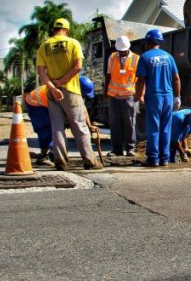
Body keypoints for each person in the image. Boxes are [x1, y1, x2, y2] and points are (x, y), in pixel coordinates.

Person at [36, 18, 102, 171]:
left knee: (57, 127)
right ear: (67, 30)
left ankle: (61, 162)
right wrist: (61, 82)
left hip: (52, 92)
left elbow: (41, 73)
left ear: (54, 30)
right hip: (70, 90)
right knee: (79, 125)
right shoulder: (73, 43)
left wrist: (53, 87)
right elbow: (78, 67)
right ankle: (90, 161)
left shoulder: (44, 47)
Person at [23, 76, 98, 168]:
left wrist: (89, 125)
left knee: (56, 126)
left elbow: (82, 109)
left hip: (45, 102)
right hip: (36, 104)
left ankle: (53, 155)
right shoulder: (63, 92)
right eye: (84, 94)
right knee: (47, 128)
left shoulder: (73, 91)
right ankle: (43, 157)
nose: (84, 97)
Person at [134, 29, 181, 167]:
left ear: (148, 42)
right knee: (166, 128)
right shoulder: (169, 57)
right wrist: (177, 97)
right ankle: (164, 158)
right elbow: (176, 78)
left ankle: (153, 158)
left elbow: (140, 80)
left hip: (154, 96)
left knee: (153, 127)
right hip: (168, 96)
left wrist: (138, 98)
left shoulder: (145, 57)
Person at [104, 35, 139, 157]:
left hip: (129, 95)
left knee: (130, 123)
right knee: (114, 123)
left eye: (123, 51)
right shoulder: (112, 57)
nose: (122, 53)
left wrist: (139, 95)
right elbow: (108, 75)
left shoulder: (136, 59)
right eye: (120, 51)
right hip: (113, 95)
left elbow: (139, 79)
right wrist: (105, 92)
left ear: (128, 48)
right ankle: (116, 149)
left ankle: (130, 148)